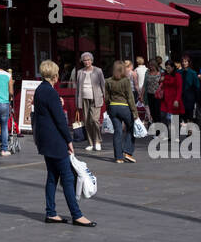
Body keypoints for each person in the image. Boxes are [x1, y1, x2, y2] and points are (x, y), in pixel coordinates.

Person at [32, 59, 94, 227]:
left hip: (44, 140)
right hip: (55, 140)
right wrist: (69, 140)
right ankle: (77, 214)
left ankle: (51, 212)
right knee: (67, 177)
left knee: (52, 176)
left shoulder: (40, 90)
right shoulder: (51, 92)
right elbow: (59, 120)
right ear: (55, 75)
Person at [104, 60, 139, 164]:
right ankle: (127, 152)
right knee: (131, 128)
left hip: (113, 108)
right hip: (124, 107)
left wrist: (108, 109)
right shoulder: (125, 81)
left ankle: (118, 157)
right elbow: (130, 97)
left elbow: (106, 98)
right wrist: (135, 113)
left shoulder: (108, 81)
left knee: (117, 131)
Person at [71, 52, 105, 152]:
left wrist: (105, 96)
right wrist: (78, 102)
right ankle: (90, 142)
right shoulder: (80, 72)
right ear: (82, 61)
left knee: (95, 120)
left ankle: (98, 141)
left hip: (96, 98)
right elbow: (77, 88)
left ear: (92, 60)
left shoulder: (98, 71)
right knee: (87, 121)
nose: (87, 62)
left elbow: (103, 85)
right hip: (84, 98)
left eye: (88, 60)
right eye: (85, 60)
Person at [160, 59, 183, 127]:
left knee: (174, 119)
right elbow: (160, 86)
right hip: (164, 99)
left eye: (169, 68)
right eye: (166, 68)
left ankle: (175, 136)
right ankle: (167, 134)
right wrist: (160, 80)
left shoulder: (177, 75)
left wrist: (177, 100)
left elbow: (179, 89)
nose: (167, 69)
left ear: (173, 68)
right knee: (163, 117)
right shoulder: (163, 75)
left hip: (174, 99)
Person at [178, 56, 200, 125]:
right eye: (183, 62)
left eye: (186, 61)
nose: (184, 63)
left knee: (189, 114)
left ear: (188, 63)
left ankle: (189, 131)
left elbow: (197, 86)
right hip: (180, 96)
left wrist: (197, 98)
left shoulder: (193, 73)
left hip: (190, 96)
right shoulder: (178, 72)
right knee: (182, 114)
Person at [144, 57, 164, 125]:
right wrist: (141, 95)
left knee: (157, 112)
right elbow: (145, 84)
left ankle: (159, 131)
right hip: (150, 95)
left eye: (152, 65)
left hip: (158, 95)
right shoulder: (147, 73)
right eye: (149, 65)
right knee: (152, 113)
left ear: (155, 65)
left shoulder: (160, 72)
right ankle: (157, 129)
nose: (150, 67)